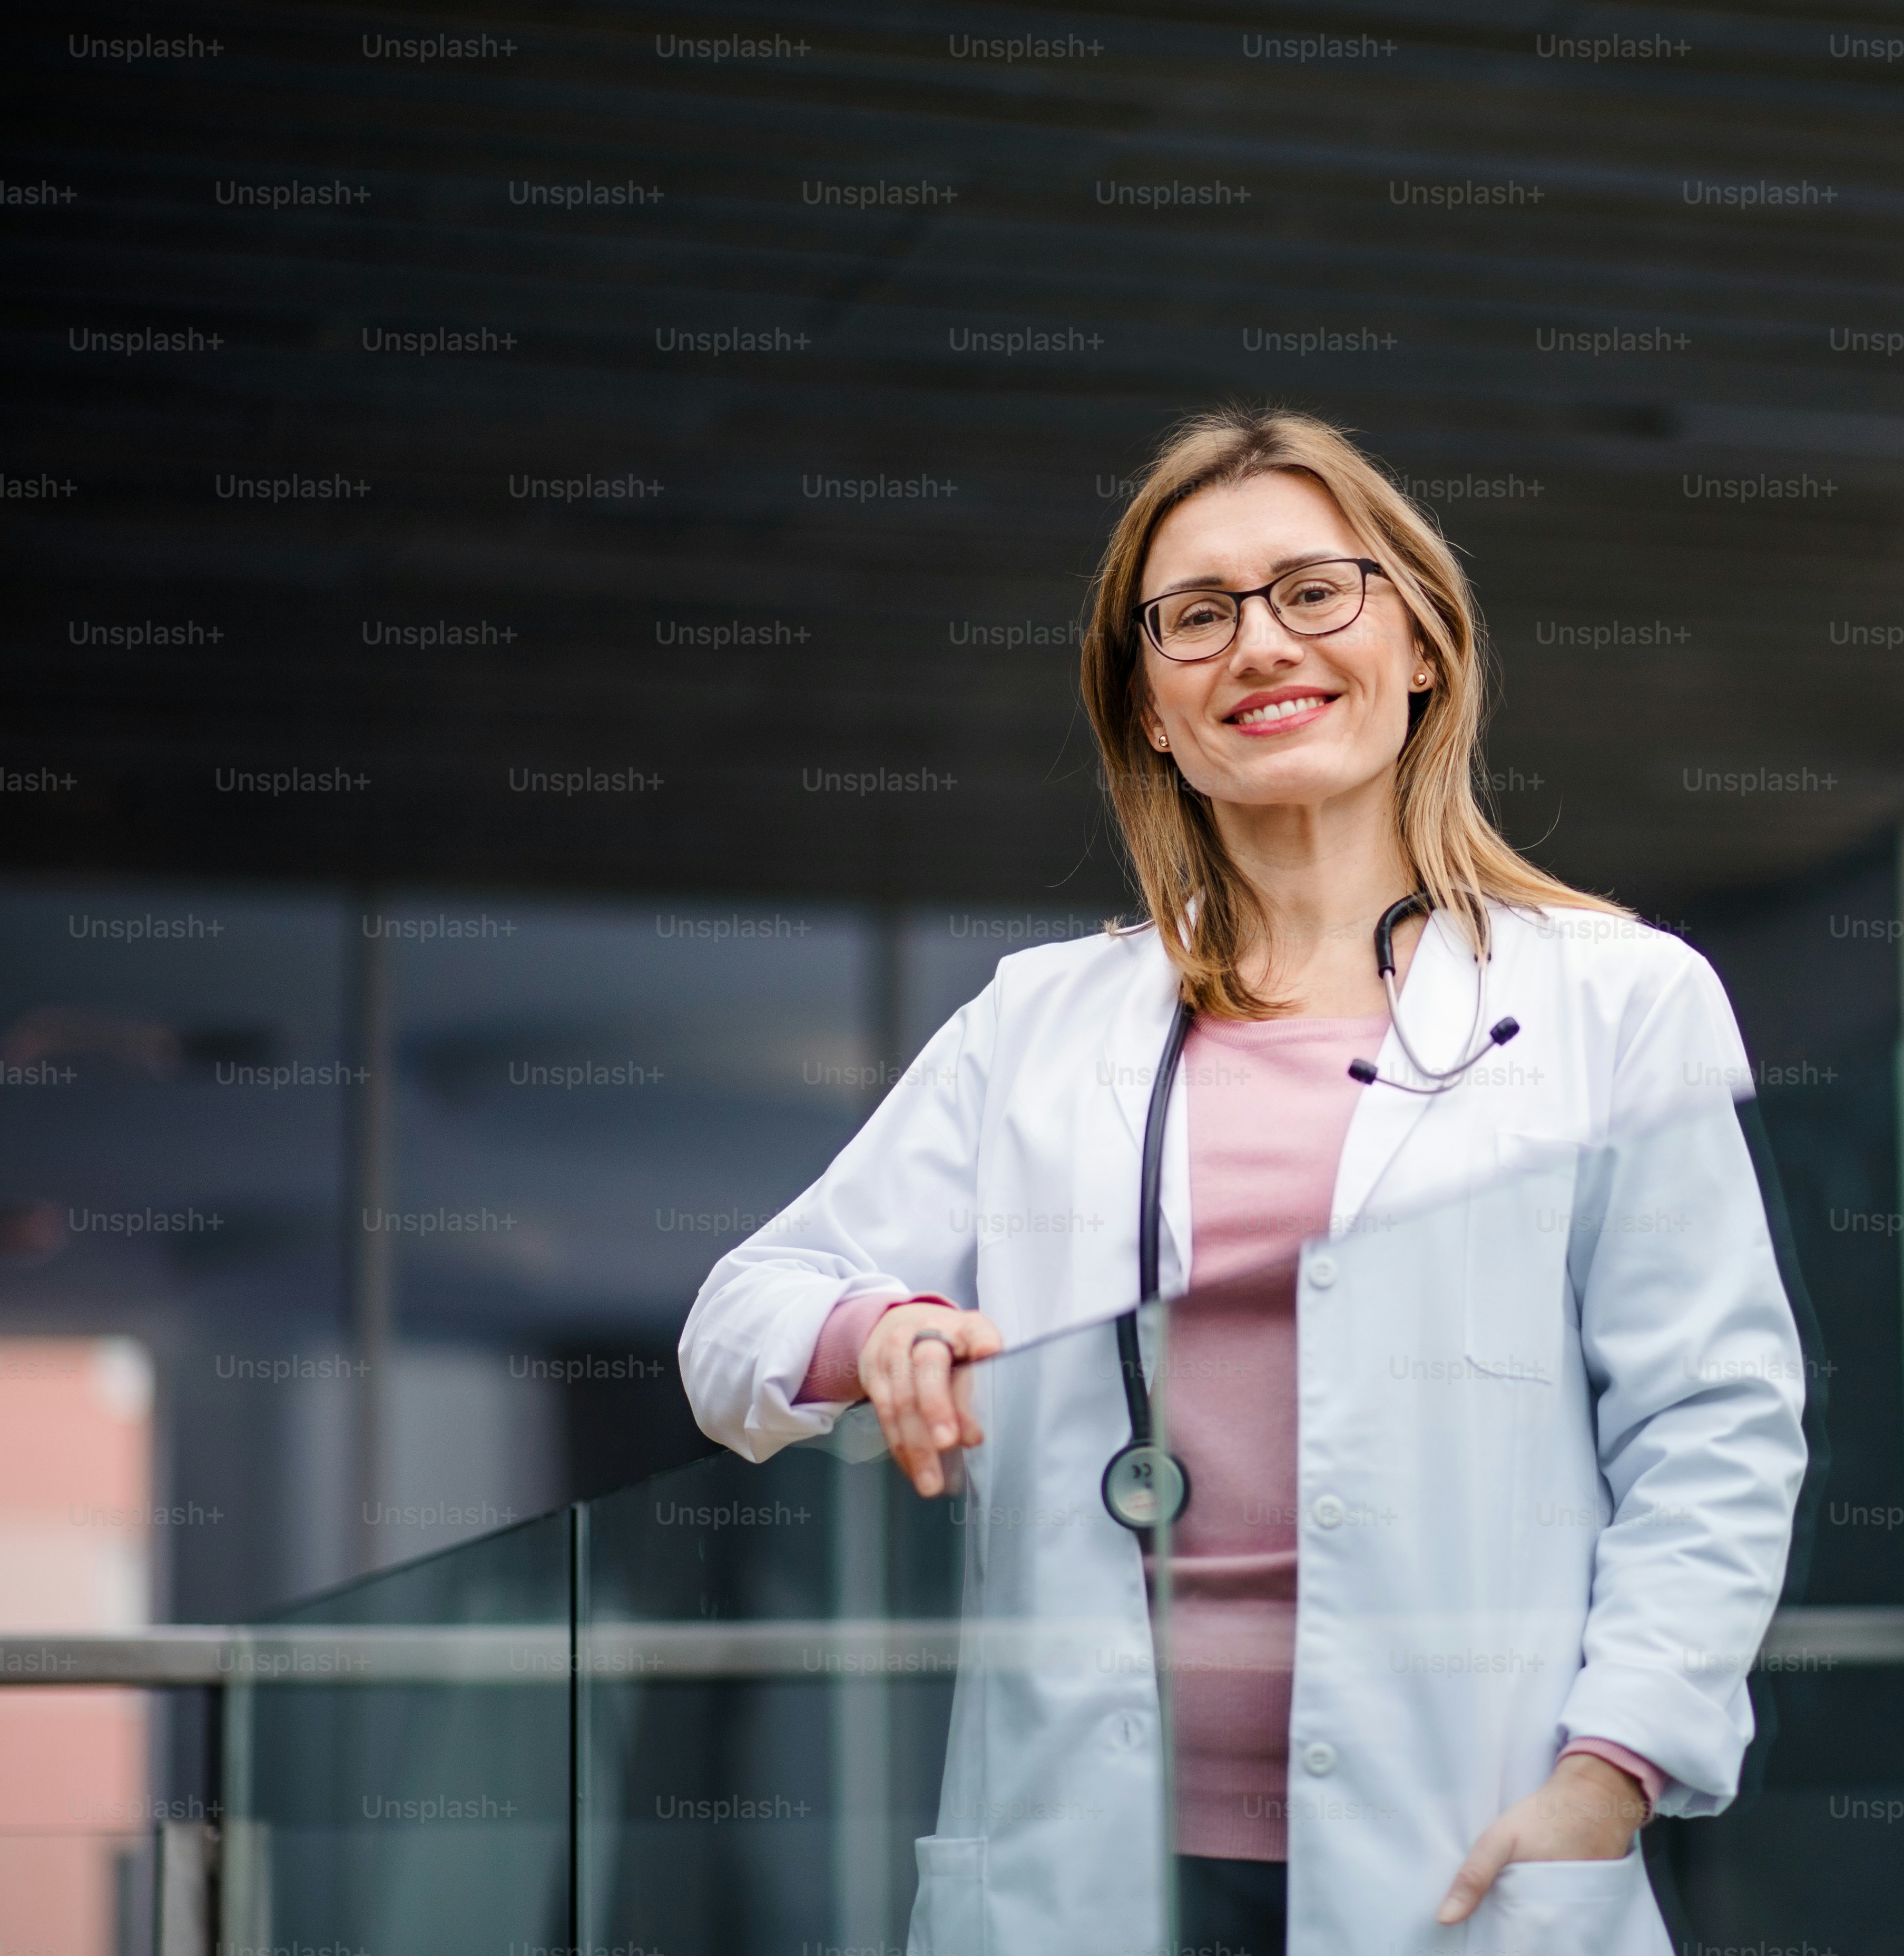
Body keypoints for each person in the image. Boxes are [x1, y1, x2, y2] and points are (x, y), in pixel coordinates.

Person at [680, 405, 1807, 1956]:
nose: (1258, 646)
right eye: (1195, 618)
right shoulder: (1041, 1024)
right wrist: (875, 1326)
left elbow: (1713, 1429)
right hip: (1097, 1865)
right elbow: (738, 1320)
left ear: (1419, 644)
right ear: (1148, 707)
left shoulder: (1620, 1000)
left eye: (1313, 592)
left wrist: (1611, 1776)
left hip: (1468, 1850)